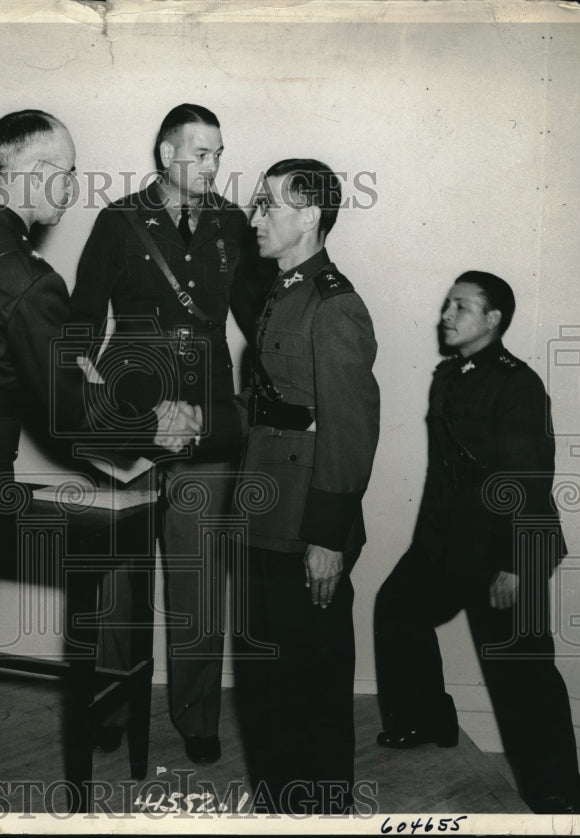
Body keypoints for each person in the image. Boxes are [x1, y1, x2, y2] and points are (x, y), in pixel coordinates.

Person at [0, 109, 199, 813]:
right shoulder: (28, 276)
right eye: (68, 173)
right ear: (37, 172)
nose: (71, 189)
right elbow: (72, 410)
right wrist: (155, 428)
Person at [69, 103, 271, 765]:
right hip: (134, 421)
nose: (214, 165)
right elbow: (79, 325)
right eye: (201, 152)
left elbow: (264, 317)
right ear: (166, 154)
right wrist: (95, 411)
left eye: (219, 152)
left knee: (197, 579)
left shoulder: (232, 223)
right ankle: (113, 705)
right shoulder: (118, 220)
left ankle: (197, 716)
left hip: (209, 424)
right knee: (122, 577)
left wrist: (254, 403)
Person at [373, 271, 580, 814]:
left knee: (524, 679)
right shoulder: (447, 377)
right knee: (398, 608)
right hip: (449, 543)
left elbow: (531, 478)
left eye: (461, 307)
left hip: (507, 549)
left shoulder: (517, 383)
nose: (446, 314)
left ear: (492, 320)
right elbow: (444, 475)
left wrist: (517, 565)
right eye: (447, 304)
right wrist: (425, 547)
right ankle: (425, 719)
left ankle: (559, 799)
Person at [233, 159, 380, 814]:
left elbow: (350, 434)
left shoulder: (334, 305)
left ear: (310, 217)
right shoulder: (282, 290)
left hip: (303, 528)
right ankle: (276, 807)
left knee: (311, 687)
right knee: (266, 681)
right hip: (265, 512)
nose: (255, 215)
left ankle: (319, 814)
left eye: (269, 205)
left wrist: (327, 537)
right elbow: (272, 404)